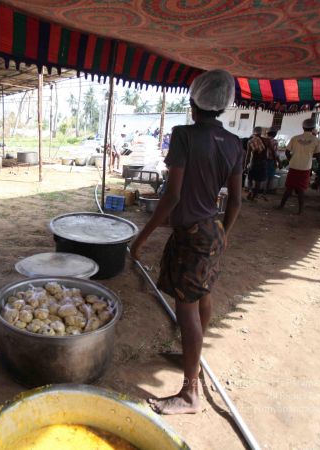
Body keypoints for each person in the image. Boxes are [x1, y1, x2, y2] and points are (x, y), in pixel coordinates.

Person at [130, 69, 243, 415]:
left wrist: (141, 239)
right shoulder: (235, 143)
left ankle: (190, 392)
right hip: (213, 230)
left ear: (194, 102)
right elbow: (236, 200)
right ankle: (191, 357)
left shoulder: (184, 135)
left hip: (191, 236)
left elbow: (173, 195)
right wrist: (223, 233)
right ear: (222, 105)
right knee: (202, 295)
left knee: (186, 309)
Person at [277, 118, 320, 214]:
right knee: (301, 189)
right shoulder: (316, 140)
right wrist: (319, 163)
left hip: (294, 165)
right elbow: (318, 155)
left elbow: (287, 152)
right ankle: (300, 210)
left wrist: (291, 160)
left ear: (303, 127)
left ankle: (281, 206)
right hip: (305, 167)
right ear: (313, 128)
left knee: (289, 187)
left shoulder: (295, 138)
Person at [246, 126, 269, 201]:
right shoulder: (266, 140)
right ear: (261, 132)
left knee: (250, 178)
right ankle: (253, 196)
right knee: (258, 181)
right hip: (263, 162)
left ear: (253, 132)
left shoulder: (250, 141)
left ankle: (250, 190)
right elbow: (272, 151)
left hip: (254, 162)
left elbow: (248, 154)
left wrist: (245, 165)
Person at [263, 129, 281, 196]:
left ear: (267, 134)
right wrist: (277, 162)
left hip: (262, 160)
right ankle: (266, 191)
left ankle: (260, 189)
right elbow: (275, 153)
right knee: (269, 177)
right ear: (275, 134)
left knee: (263, 175)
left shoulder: (263, 140)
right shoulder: (274, 141)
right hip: (270, 160)